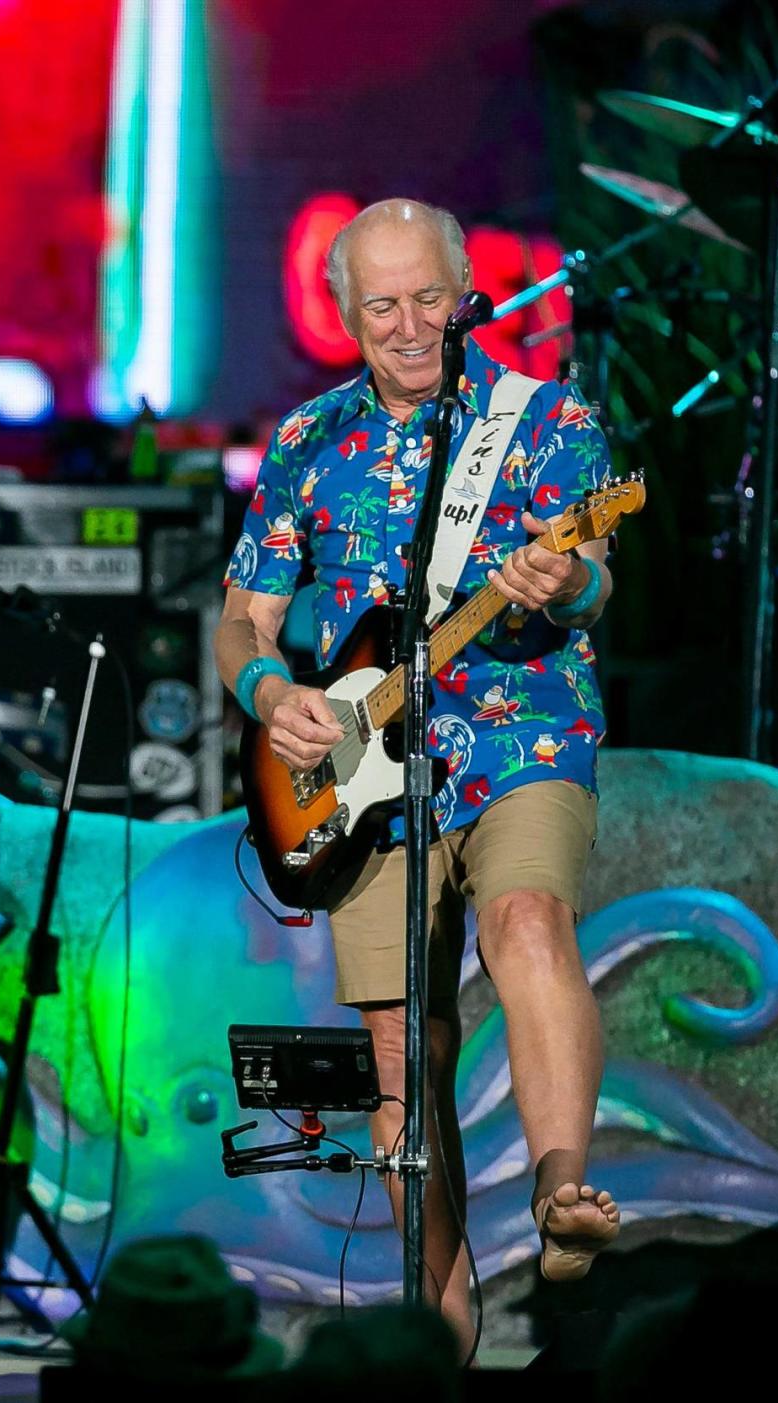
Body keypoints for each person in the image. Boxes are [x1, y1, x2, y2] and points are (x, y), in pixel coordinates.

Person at [214, 199, 620, 1357]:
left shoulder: (543, 421)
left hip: (522, 731)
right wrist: (267, 696)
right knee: (403, 1050)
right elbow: (244, 621)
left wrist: (567, 582)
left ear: (467, 291)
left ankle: (561, 1192)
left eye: (429, 298)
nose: (408, 326)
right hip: (360, 766)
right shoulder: (307, 439)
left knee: (528, 917)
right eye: (382, 304)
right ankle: (438, 1350)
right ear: (343, 313)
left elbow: (593, 576)